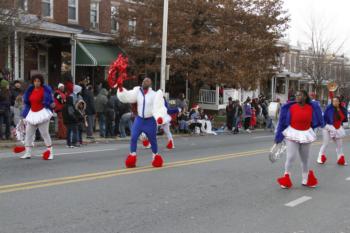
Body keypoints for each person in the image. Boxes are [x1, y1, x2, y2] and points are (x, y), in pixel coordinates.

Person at [275, 90, 323, 189]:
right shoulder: (290, 107)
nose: (297, 97)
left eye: (300, 95)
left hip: (306, 133)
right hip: (293, 133)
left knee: (305, 159)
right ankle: (286, 177)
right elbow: (282, 122)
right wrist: (278, 136)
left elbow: (318, 118)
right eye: (296, 95)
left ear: (305, 97)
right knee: (291, 157)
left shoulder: (312, 107)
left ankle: (305, 179)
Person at [116, 77, 167, 168]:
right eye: (144, 81)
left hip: (150, 121)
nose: (144, 82)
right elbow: (128, 96)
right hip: (139, 120)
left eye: (147, 81)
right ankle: (132, 156)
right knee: (133, 137)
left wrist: (159, 117)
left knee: (153, 141)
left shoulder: (154, 94)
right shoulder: (137, 91)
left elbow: (159, 106)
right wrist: (121, 89)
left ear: (150, 84)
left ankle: (155, 156)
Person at [18, 73, 54, 160]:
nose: (36, 83)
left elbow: (50, 101)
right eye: (35, 81)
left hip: (42, 113)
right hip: (32, 114)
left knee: (44, 133)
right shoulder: (30, 90)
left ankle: (50, 153)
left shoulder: (45, 90)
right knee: (28, 134)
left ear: (41, 82)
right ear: (33, 82)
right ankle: (28, 153)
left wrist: (51, 104)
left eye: (38, 81)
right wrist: (24, 115)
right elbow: (27, 103)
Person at [317, 96, 348, 165]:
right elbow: (324, 118)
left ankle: (340, 159)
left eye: (336, 101)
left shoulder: (342, 109)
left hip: (337, 128)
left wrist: (339, 109)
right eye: (333, 101)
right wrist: (325, 126)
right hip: (328, 127)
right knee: (325, 143)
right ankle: (320, 158)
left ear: (339, 102)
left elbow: (343, 118)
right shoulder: (329, 108)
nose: (334, 102)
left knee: (339, 145)